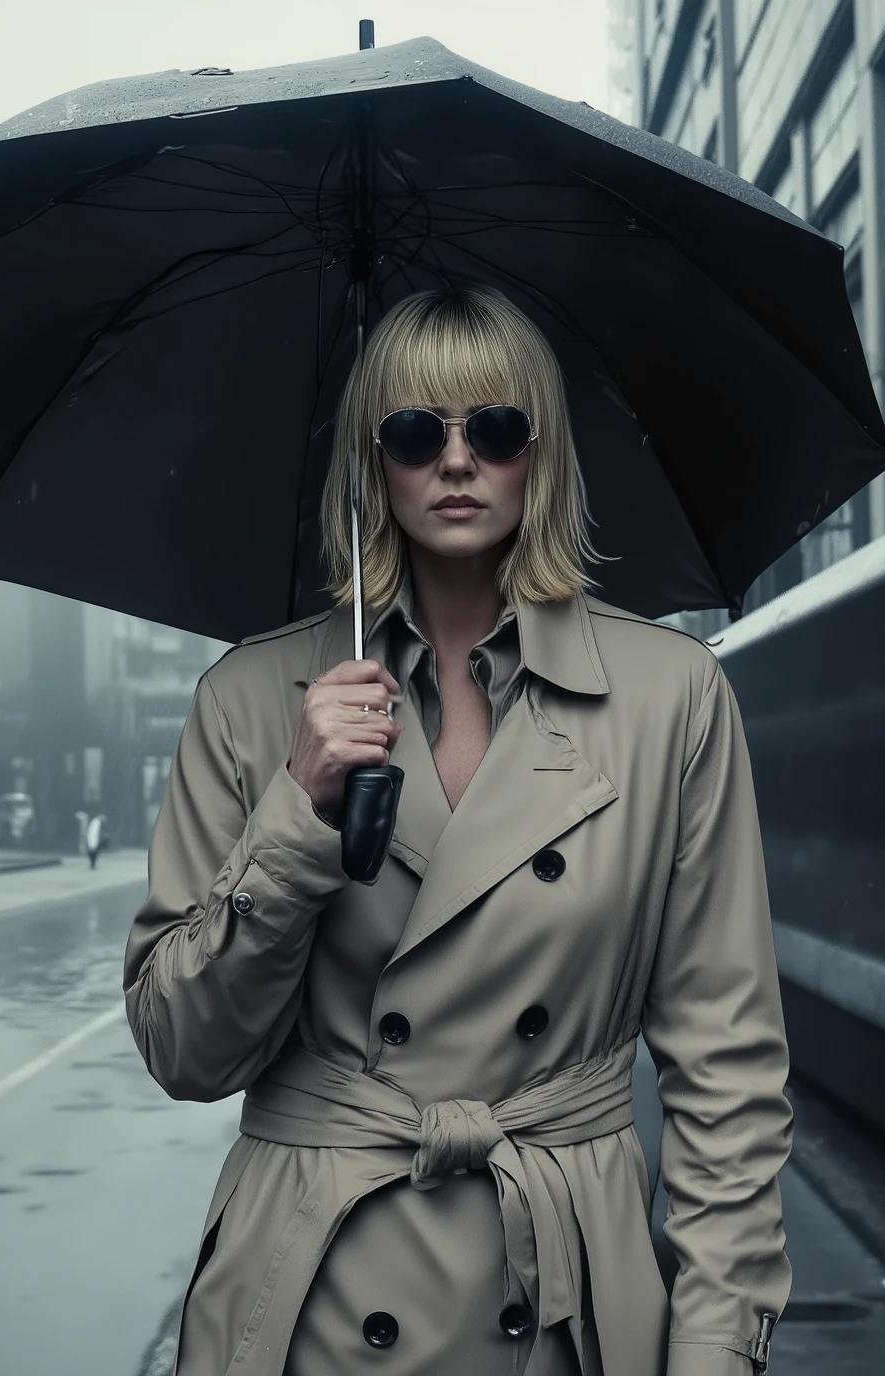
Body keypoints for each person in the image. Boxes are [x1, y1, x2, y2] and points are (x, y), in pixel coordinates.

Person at [122, 285, 791, 1376]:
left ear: (541, 452)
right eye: (411, 430)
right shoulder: (250, 697)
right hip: (317, 1302)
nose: (454, 458)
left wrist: (716, 1344)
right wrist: (296, 810)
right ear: (369, 460)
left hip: (565, 1294)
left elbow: (725, 1064)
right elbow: (184, 1048)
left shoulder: (673, 696)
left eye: (493, 427)